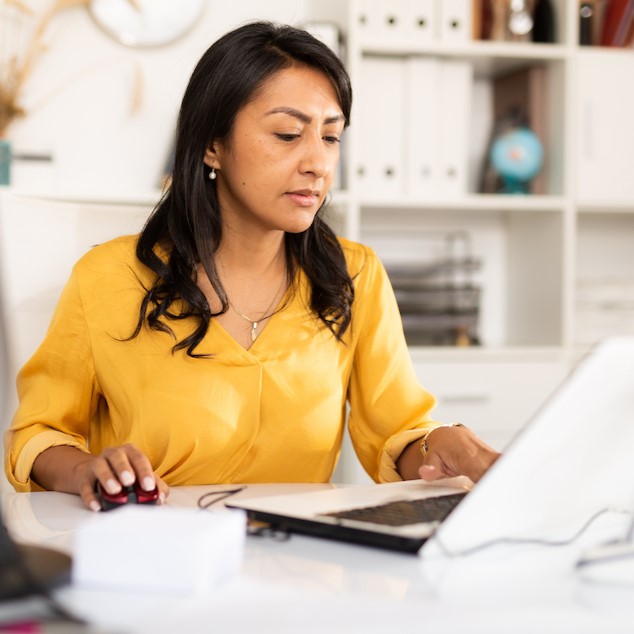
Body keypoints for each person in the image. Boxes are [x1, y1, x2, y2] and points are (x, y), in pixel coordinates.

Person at [4, 21, 499, 511]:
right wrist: (88, 468)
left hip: (297, 560)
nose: (318, 164)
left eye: (330, 137)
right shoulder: (106, 276)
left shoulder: (354, 276)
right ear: (212, 144)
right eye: (287, 134)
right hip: (155, 553)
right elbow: (39, 435)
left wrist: (442, 446)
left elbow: (397, 435)